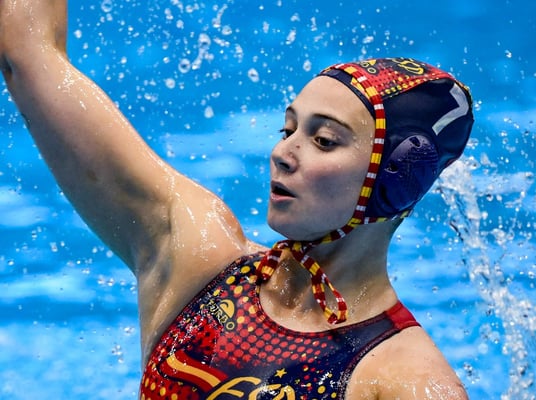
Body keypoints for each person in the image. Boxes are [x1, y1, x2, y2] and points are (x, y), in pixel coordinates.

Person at [0, 1, 474, 399]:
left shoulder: (404, 380)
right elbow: (26, 53)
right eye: (288, 129)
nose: (282, 153)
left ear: (394, 179)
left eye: (323, 140)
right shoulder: (195, 258)